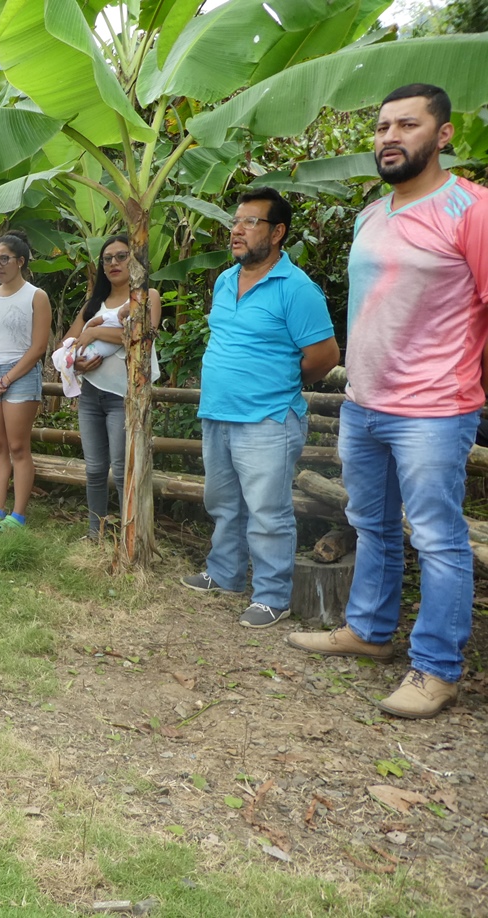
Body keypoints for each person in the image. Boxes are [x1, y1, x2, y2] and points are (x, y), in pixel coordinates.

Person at [287, 84, 488, 718]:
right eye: (380, 128)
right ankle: (369, 633)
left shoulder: (471, 210)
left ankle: (437, 669)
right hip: (364, 400)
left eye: (407, 124)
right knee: (370, 525)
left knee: (436, 537)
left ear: (444, 135)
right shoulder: (371, 215)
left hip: (435, 406)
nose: (390, 137)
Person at [181, 188, 339, 628]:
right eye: (236, 220)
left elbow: (325, 356)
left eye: (250, 222)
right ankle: (225, 574)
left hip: (268, 418)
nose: (237, 229)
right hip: (218, 412)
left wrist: (280, 383)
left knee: (268, 511)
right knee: (223, 502)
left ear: (278, 232)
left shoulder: (297, 288)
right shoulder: (225, 279)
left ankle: (272, 596)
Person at [62, 235, 162, 540]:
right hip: (91, 394)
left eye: (121, 257)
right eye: (108, 259)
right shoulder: (94, 303)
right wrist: (76, 362)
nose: (114, 263)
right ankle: (96, 533)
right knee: (94, 469)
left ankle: (129, 537)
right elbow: (69, 341)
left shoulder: (148, 296)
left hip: (126, 394)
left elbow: (142, 339)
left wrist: (94, 334)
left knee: (121, 470)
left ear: (134, 261)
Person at [0, 230, 51, 530]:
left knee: (18, 446)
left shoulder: (36, 296)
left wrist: (7, 377)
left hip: (20, 375)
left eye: (4, 259)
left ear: (21, 261)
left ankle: (18, 514)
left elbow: (38, 347)